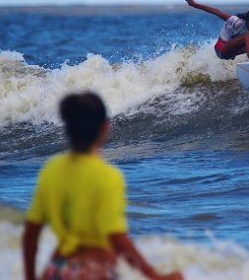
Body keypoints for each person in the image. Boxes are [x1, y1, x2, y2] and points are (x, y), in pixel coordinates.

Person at [22, 92, 183, 280]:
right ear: (104, 128)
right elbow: (117, 238)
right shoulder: (108, 176)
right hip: (91, 272)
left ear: (67, 129)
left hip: (56, 270)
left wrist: (30, 277)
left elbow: (31, 231)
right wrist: (155, 276)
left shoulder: (51, 170)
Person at [185, 0, 249, 62]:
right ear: (246, 20)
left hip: (235, 50)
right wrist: (196, 5)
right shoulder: (235, 21)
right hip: (221, 50)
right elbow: (217, 12)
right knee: (247, 36)